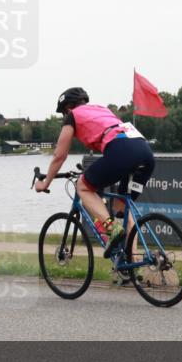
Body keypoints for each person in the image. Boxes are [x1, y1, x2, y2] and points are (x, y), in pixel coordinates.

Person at [34, 87, 155, 257]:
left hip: (122, 150)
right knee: (122, 205)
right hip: (145, 152)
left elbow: (59, 155)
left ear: (68, 108)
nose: (64, 117)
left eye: (63, 113)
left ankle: (112, 230)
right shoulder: (102, 110)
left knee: (82, 186)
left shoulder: (73, 115)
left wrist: (46, 182)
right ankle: (132, 263)